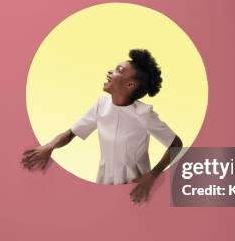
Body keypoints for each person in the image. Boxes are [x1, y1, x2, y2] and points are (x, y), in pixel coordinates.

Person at [21, 49, 183, 204]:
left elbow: (176, 144)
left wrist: (152, 175)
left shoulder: (144, 113)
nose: (110, 72)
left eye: (119, 70)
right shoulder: (101, 105)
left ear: (130, 85)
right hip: (104, 181)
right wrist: (49, 146)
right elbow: (71, 133)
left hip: (135, 186)